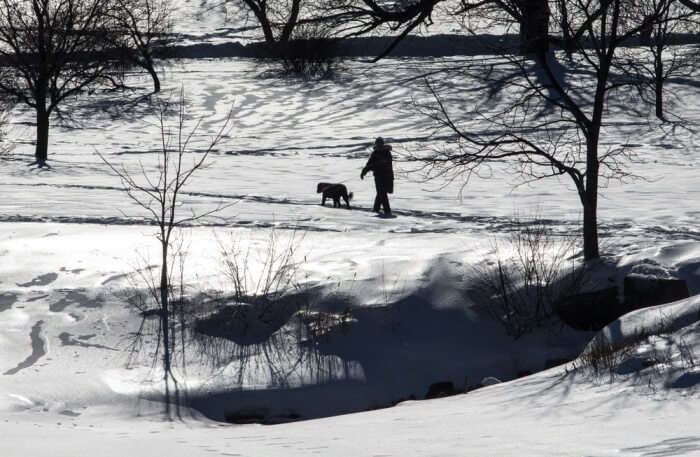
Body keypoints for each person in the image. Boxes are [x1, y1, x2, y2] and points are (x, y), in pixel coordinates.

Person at [361, 137, 394, 216]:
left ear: (382, 144)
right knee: (380, 193)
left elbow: (385, 164)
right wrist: (364, 172)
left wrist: (373, 166)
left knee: (382, 193)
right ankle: (376, 209)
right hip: (378, 176)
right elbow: (369, 164)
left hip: (387, 176)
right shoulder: (375, 153)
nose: (379, 145)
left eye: (380, 143)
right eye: (377, 143)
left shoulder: (387, 152)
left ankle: (387, 211)